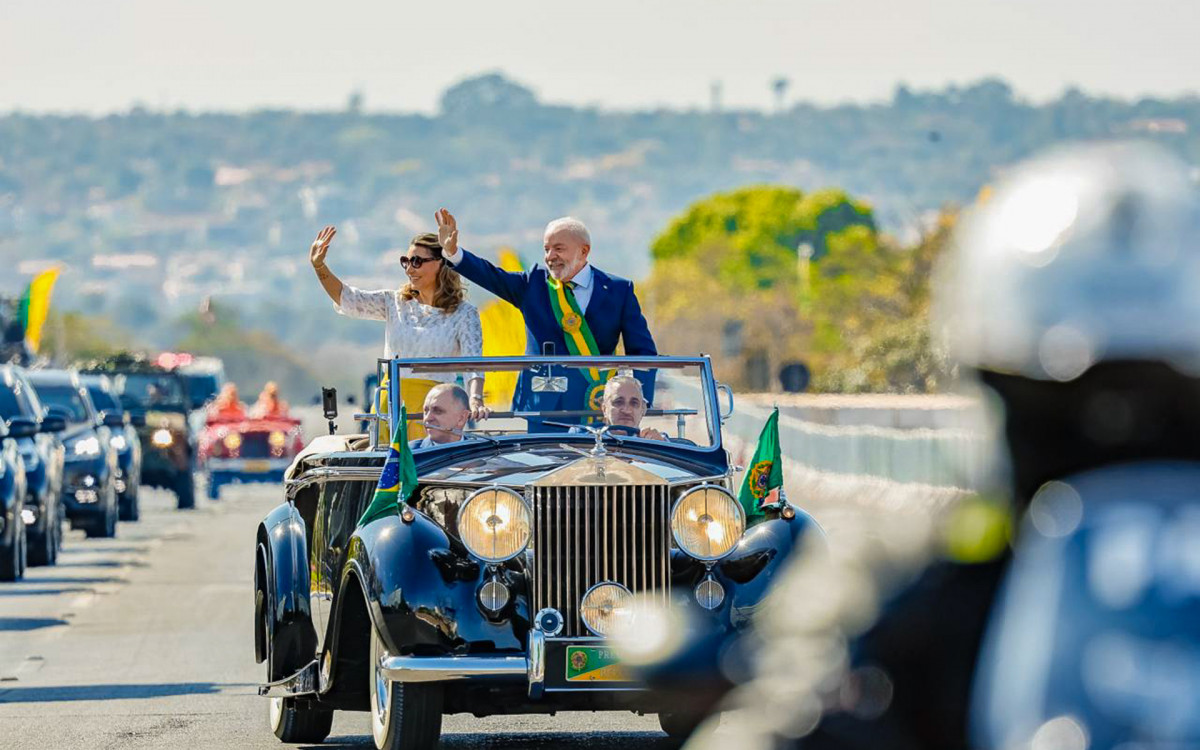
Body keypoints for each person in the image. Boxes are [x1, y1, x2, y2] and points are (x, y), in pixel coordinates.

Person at [434, 209, 656, 418]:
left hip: (595, 404)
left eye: (559, 248)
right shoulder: (533, 284)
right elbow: (490, 275)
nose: (550, 256)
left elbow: (642, 351)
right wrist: (453, 253)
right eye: (546, 249)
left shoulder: (618, 289)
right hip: (541, 406)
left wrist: (641, 401)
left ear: (584, 250)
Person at [310, 226, 488, 440]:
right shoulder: (395, 302)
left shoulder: (464, 313)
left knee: (428, 460)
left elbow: (473, 363)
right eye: (406, 261)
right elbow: (348, 298)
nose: (409, 269)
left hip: (436, 410)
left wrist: (476, 399)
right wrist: (319, 266)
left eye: (417, 261)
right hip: (390, 405)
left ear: (441, 263)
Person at [599, 375, 665, 440]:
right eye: (619, 402)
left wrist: (661, 443)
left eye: (634, 403)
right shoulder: (593, 439)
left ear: (643, 409)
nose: (626, 410)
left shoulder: (656, 441)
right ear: (604, 409)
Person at [412, 383, 470, 449]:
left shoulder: (478, 451)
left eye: (438, 411)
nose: (427, 418)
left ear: (461, 418)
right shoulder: (409, 453)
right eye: (426, 411)